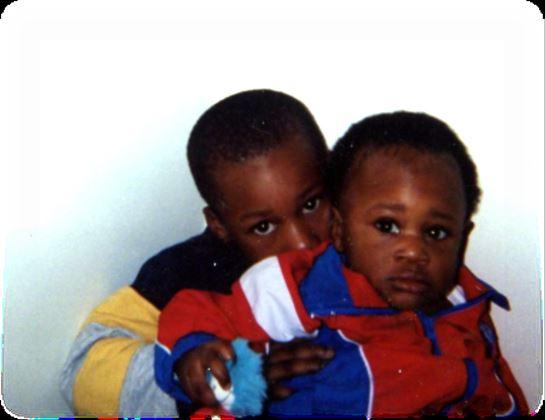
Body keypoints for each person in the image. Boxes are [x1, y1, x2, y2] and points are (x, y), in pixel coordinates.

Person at [156, 111, 529, 417]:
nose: (413, 251)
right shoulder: (308, 282)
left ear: (462, 236)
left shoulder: (469, 313)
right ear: (339, 227)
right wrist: (195, 352)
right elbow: (200, 310)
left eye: (435, 232)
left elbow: (499, 398)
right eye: (388, 226)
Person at [60, 89, 335, 417]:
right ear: (219, 225)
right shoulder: (190, 270)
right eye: (263, 227)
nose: (301, 242)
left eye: (311, 204)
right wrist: (211, 377)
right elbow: (81, 374)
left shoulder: (363, 238)